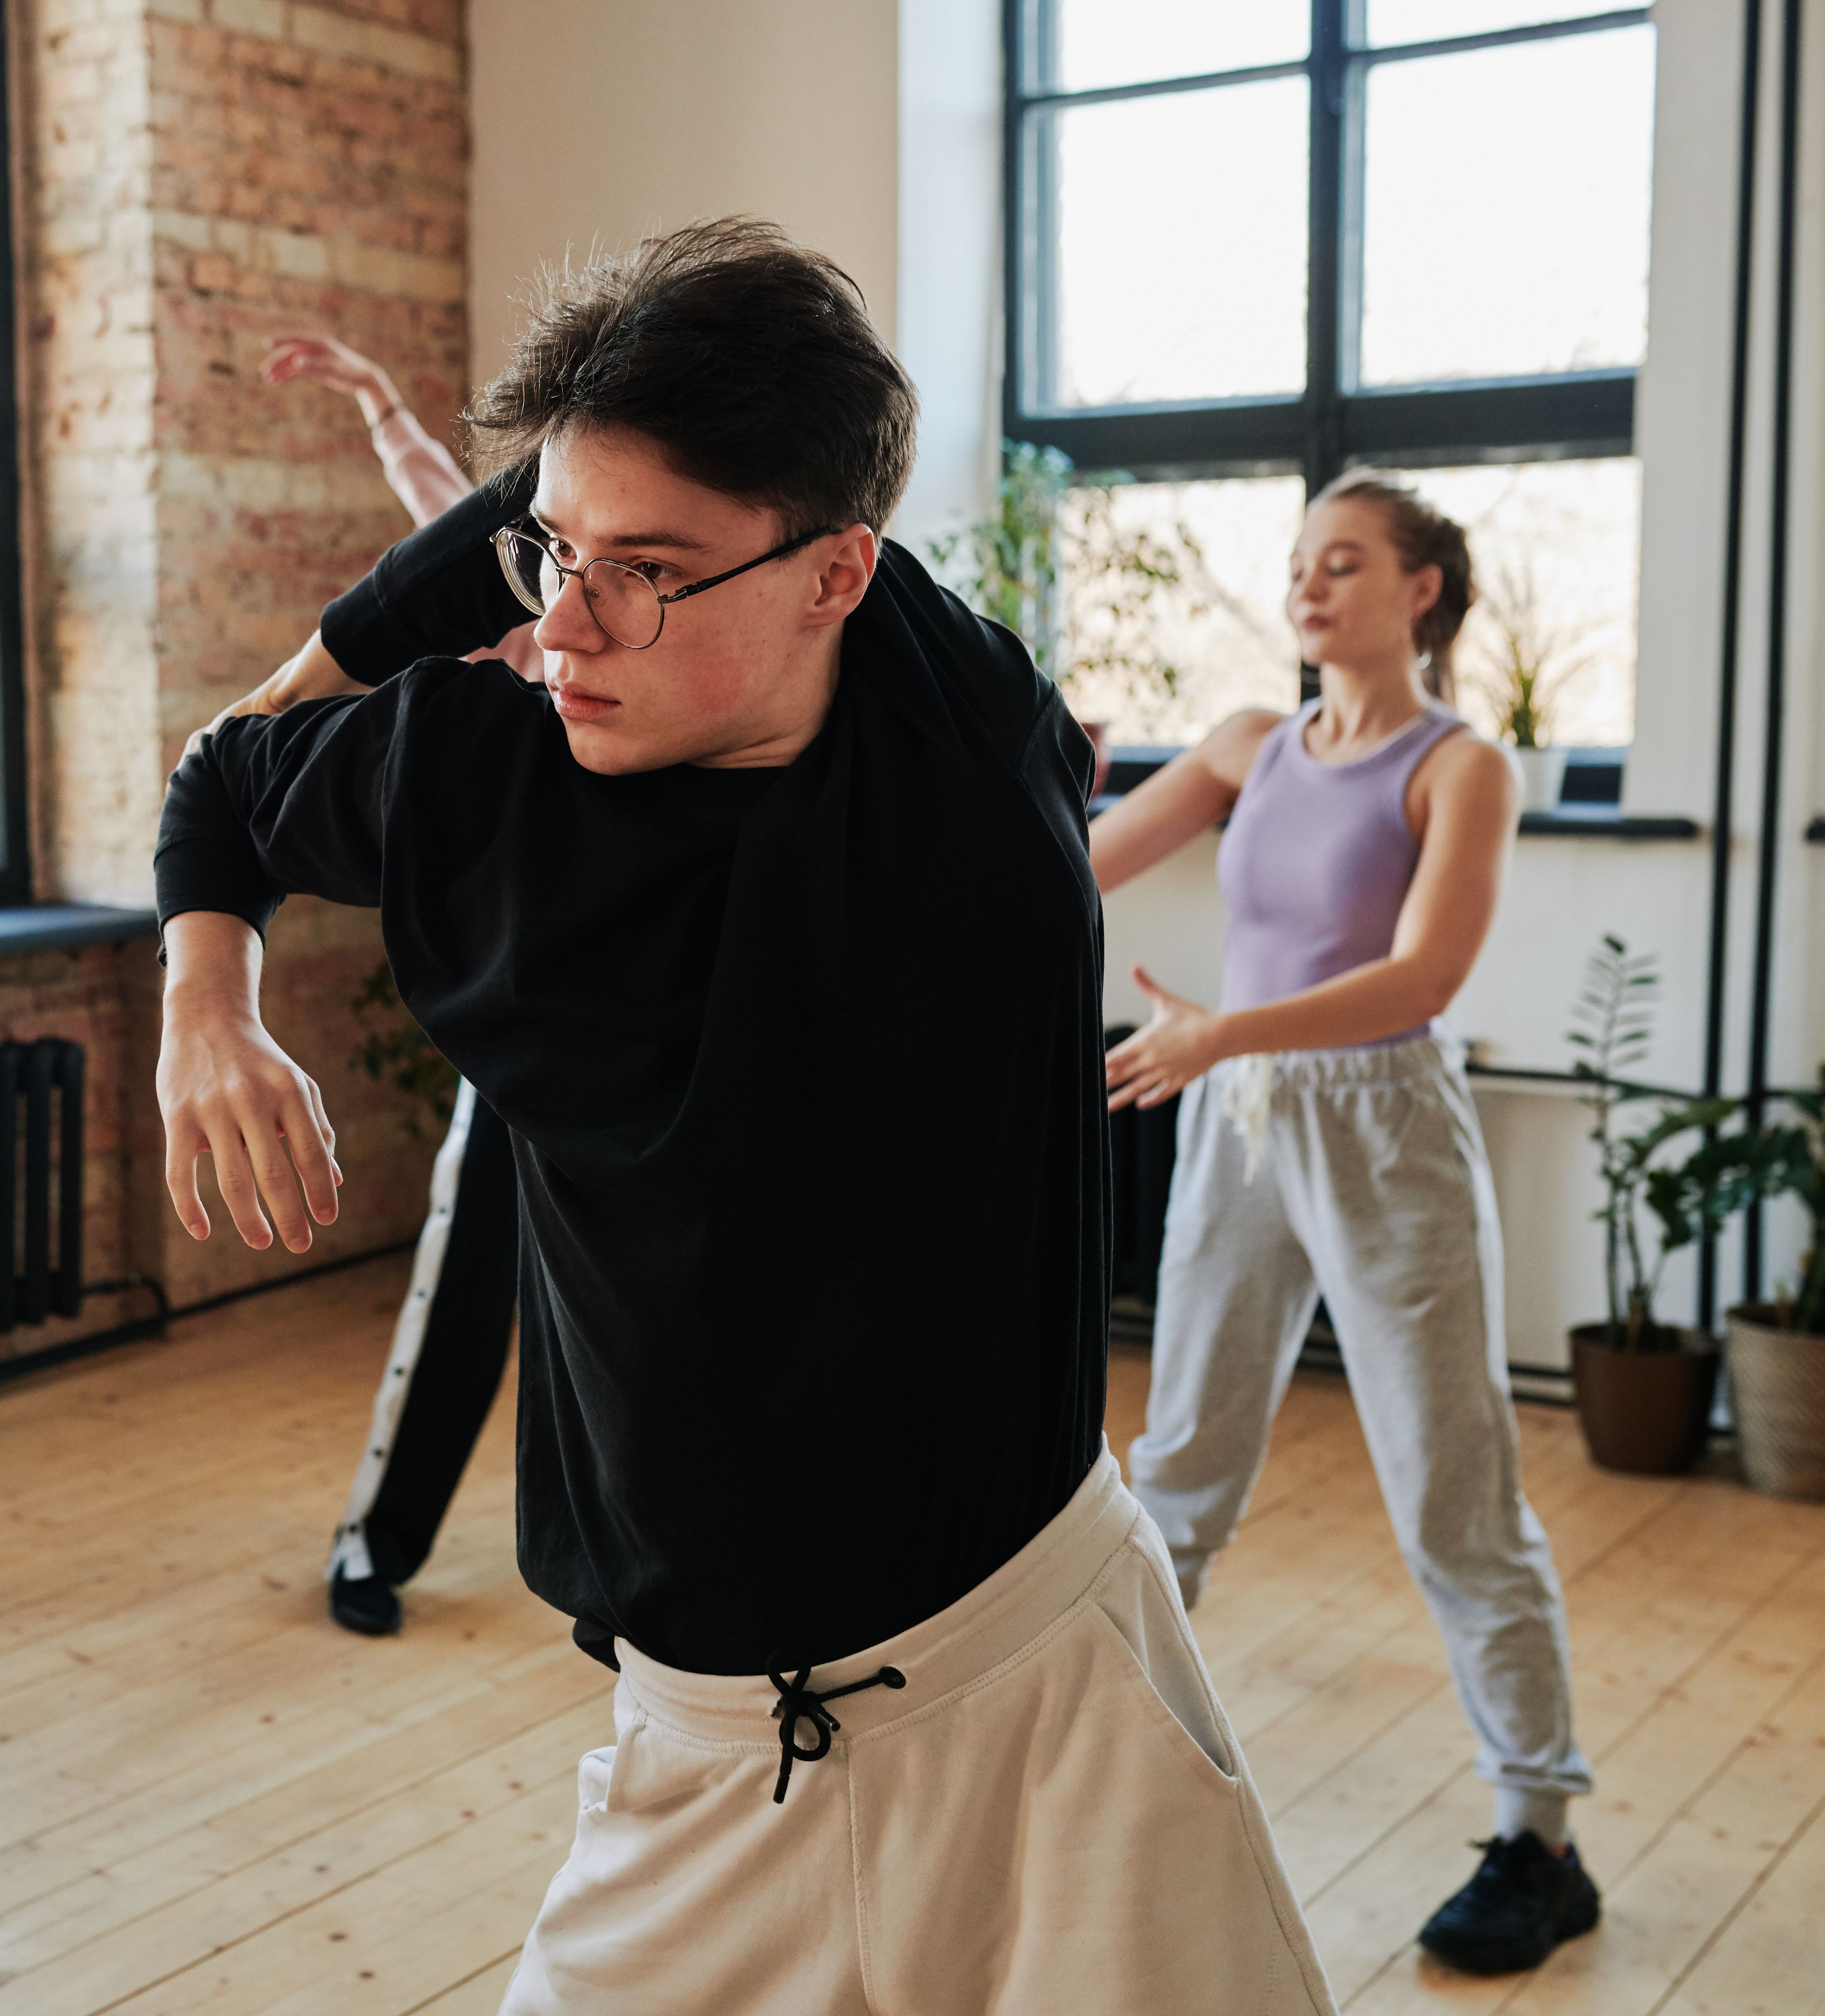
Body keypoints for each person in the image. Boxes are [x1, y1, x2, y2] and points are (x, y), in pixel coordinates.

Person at [158, 221, 1333, 2014]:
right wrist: (206, 1006)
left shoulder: (961, 731)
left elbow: (746, 439)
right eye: (554, 555)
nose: (565, 624)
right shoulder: (477, 781)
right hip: (703, 1756)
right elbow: (225, 779)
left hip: (1044, 1691)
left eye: (643, 573)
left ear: (840, 579)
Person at [1092, 470, 1597, 1977]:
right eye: (1300, 563)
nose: (1310, 585)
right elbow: (1077, 861)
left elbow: (1425, 977)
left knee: (1456, 1493)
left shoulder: (1462, 767)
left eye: (1346, 561)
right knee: (1177, 1469)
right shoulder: (1250, 746)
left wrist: (1222, 1037)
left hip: (1386, 1130)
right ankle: (1115, 1772)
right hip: (1247, 1127)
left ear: (1418, 589)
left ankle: (1539, 1837)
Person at [261, 331, 532, 1636]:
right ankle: (376, 1544)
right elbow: (442, 510)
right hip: (525, 1031)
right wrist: (376, 405)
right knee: (468, 1282)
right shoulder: (517, 610)